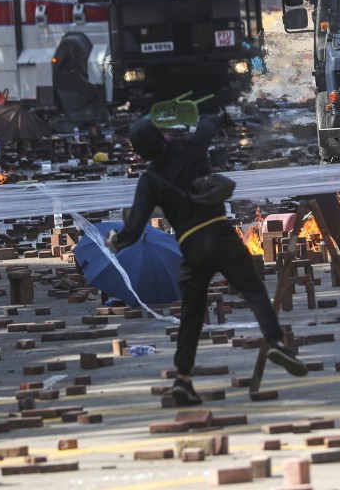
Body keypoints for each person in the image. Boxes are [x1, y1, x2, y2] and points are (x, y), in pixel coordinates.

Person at [108, 114, 307, 406]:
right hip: (220, 234)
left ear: (140, 153)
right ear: (161, 135)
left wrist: (115, 240)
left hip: (192, 247)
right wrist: (215, 116)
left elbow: (134, 228)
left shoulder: (149, 181)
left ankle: (183, 380)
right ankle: (275, 341)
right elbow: (207, 126)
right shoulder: (190, 147)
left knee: (191, 313)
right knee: (252, 289)